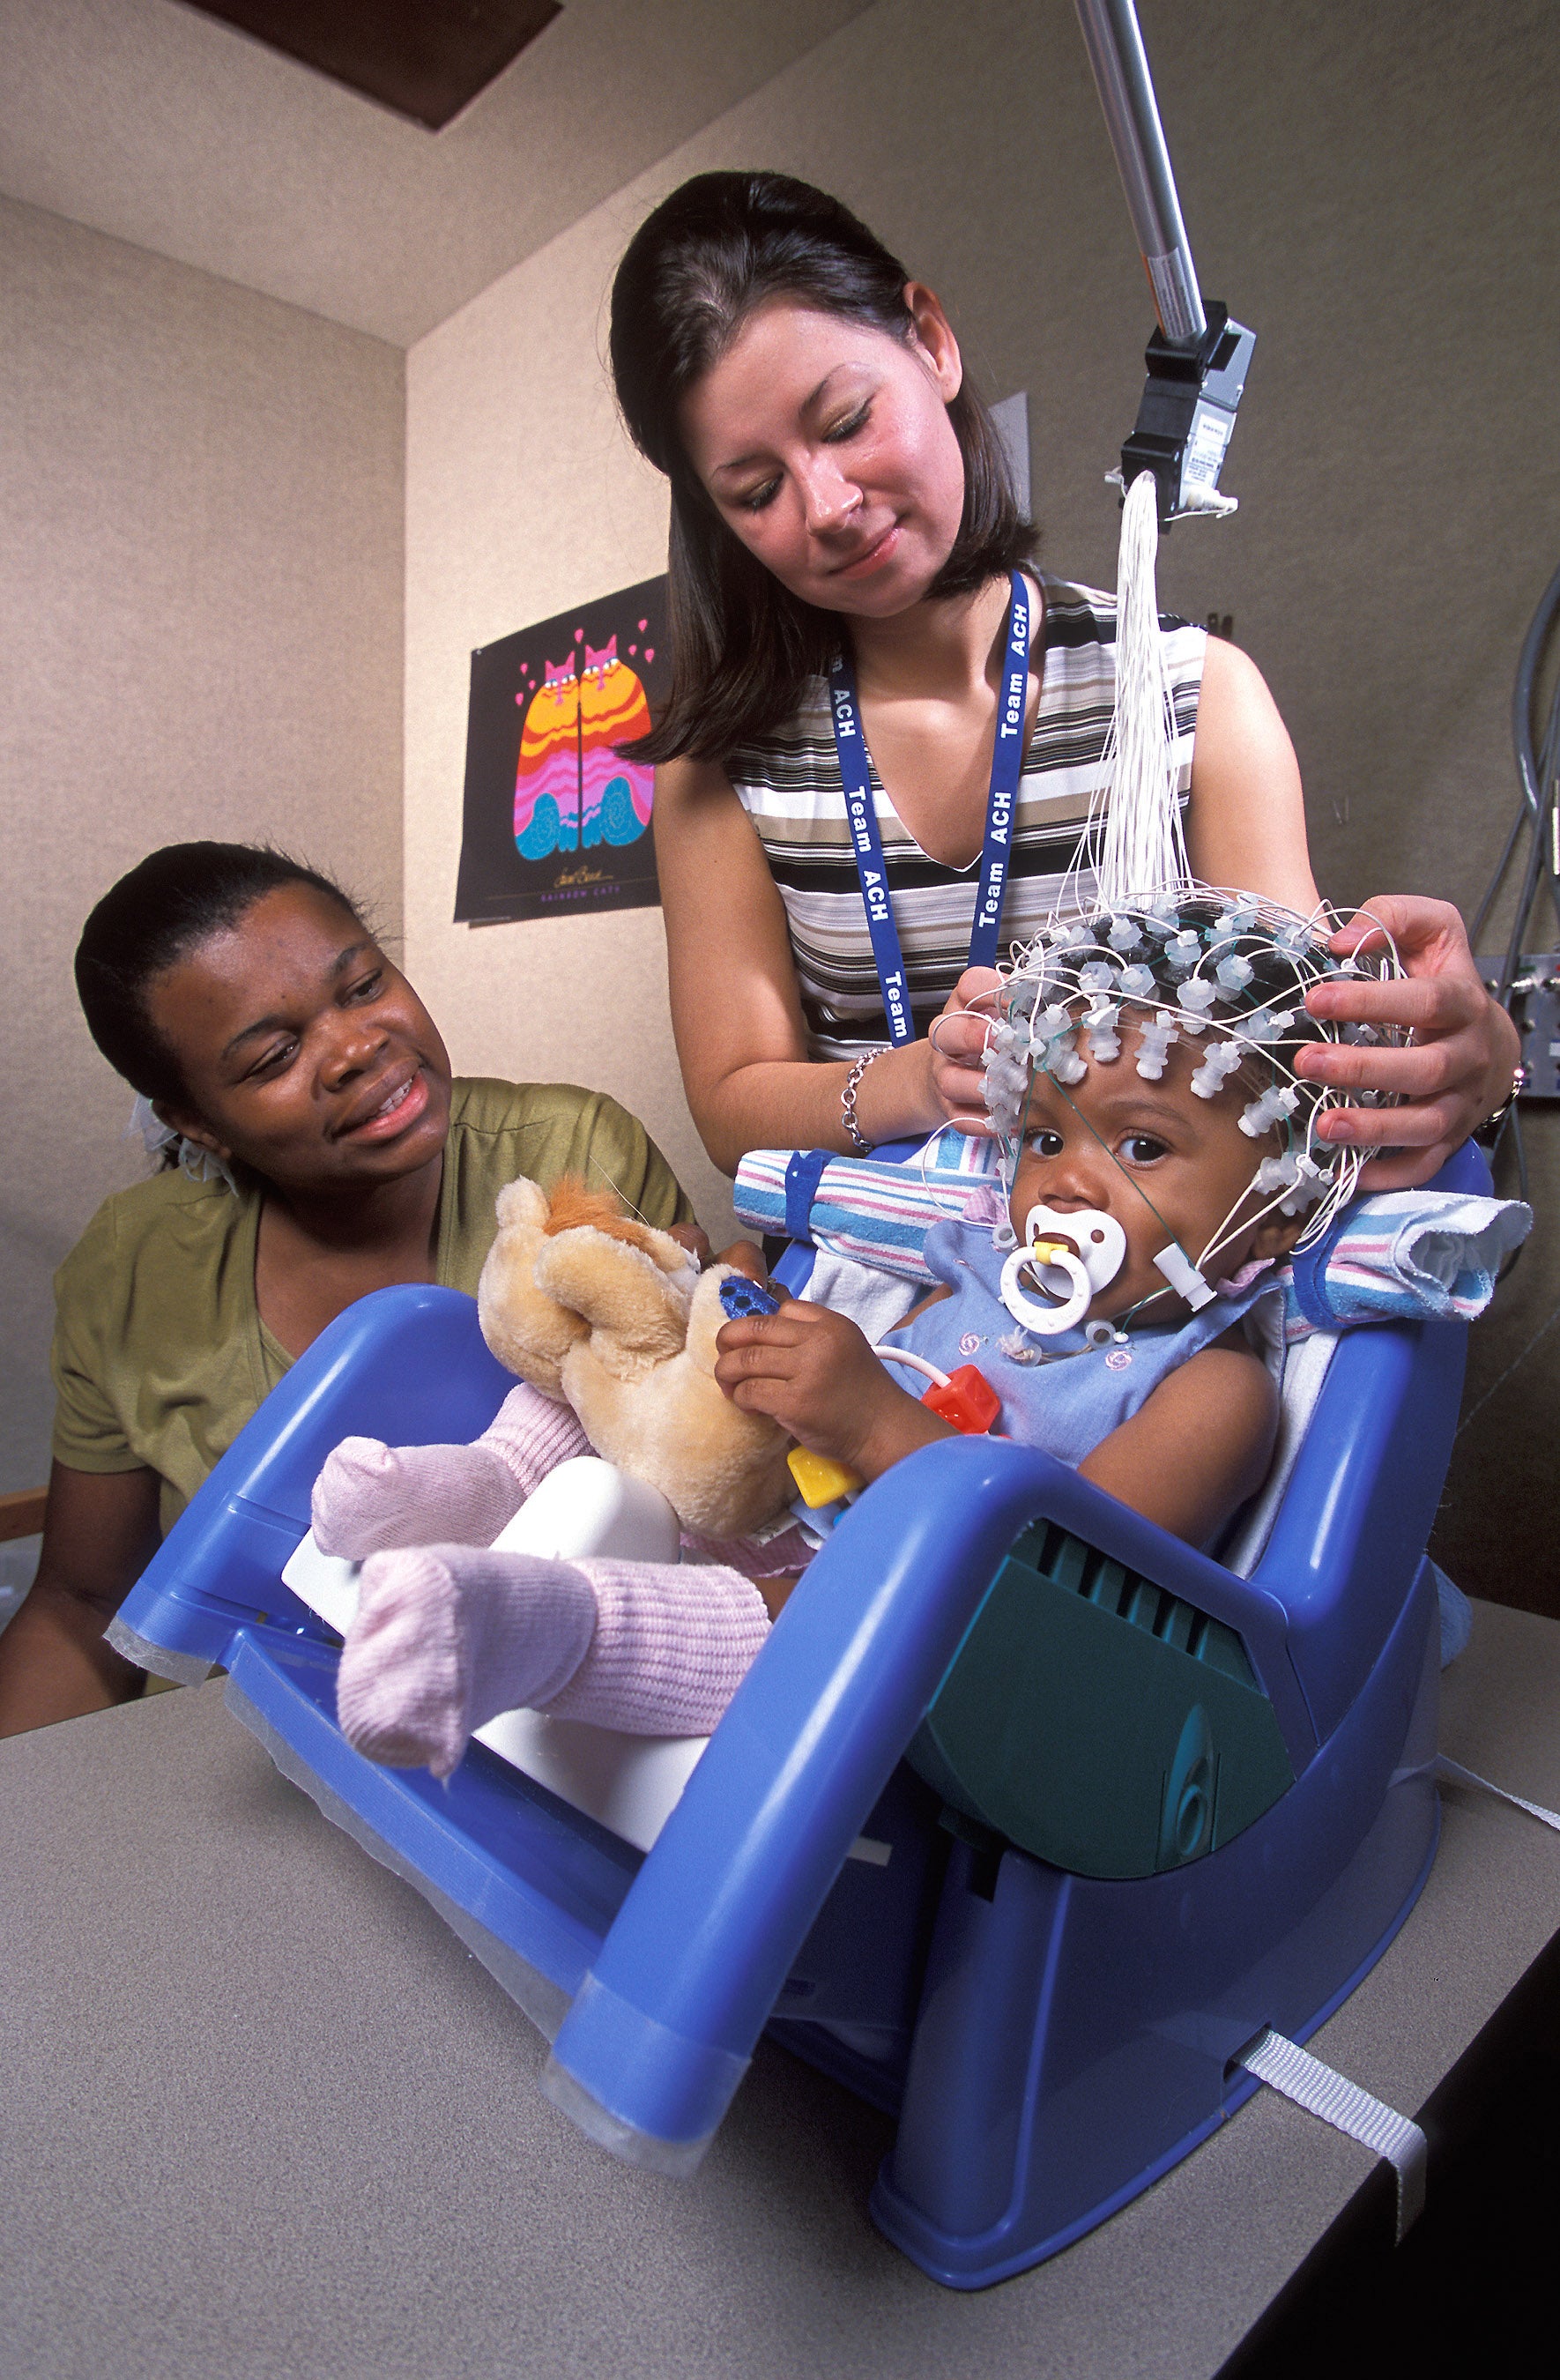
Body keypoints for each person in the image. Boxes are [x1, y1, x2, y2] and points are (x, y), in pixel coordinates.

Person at [318, 889, 1525, 1781]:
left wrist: (879, 1426)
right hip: (774, 1487)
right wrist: (743, 1300)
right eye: (1045, 1137)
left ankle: (519, 1628)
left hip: (908, 1620)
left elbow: (1077, 1583)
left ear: (1276, 1201)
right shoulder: (980, 1255)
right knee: (662, 1322)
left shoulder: (1207, 1390)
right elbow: (835, 1291)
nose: (1064, 1185)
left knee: (824, 1621)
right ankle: (476, 1487)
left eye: (1143, 1146)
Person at [605, 170, 1517, 1185]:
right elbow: (733, 1105)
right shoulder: (728, 773)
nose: (826, 504)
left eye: (847, 420)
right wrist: (917, 1080)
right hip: (881, 1297)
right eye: (758, 489)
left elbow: (1300, 1058)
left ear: (932, 341)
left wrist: (1467, 1061)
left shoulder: (1190, 693)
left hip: (1141, 1272)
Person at [0, 843, 693, 1740]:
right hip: (235, 1753)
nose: (356, 1048)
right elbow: (82, 1599)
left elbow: (693, 1497)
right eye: (275, 1054)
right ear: (196, 1124)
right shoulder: (132, 1272)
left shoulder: (572, 1156)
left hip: (539, 1731)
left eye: (362, 985)